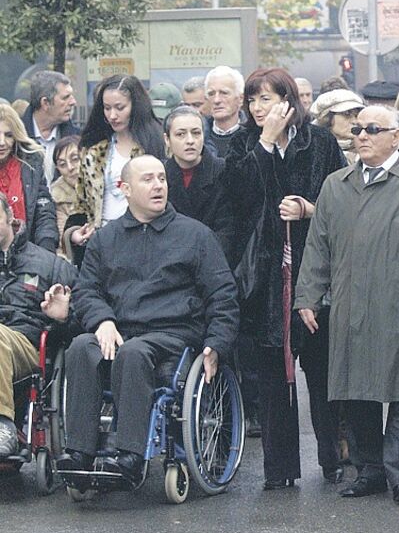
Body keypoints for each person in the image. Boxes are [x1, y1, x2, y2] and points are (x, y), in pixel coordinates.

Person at [295, 105, 399, 506]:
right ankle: (370, 469)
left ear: (395, 136)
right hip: (350, 303)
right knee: (354, 388)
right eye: (358, 129)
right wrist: (308, 296)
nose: (362, 136)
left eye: (372, 129)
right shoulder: (336, 184)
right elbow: (318, 246)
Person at [57, 155, 239, 485]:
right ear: (124, 189)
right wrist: (102, 321)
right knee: (81, 346)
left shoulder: (195, 235)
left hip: (173, 333)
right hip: (120, 328)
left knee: (134, 352)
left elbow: (223, 294)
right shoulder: (106, 238)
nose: (158, 185)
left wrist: (217, 343)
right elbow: (86, 290)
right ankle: (79, 452)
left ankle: (129, 455)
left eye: (162, 178)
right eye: (148, 180)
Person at [222, 67, 347, 490]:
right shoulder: (242, 144)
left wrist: (309, 209)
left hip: (313, 272)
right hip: (265, 277)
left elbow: (344, 197)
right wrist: (265, 143)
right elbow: (238, 196)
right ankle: (279, 470)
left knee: (323, 371)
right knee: (273, 377)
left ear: (289, 101)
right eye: (253, 100)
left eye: (268, 98)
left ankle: (333, 458)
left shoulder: (321, 142)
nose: (259, 108)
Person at [0, 192, 76, 457]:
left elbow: (81, 312)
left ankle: (3, 426)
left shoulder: (48, 264)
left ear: (10, 217)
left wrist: (62, 316)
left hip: (27, 344)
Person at [65, 75, 166, 261]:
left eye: (120, 108)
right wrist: (73, 233)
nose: (112, 115)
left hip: (147, 241)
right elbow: (81, 205)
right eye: (107, 108)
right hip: (102, 243)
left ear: (135, 107)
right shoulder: (93, 151)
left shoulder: (157, 145)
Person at [163, 105, 230, 237]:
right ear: (167, 139)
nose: (190, 141)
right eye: (180, 134)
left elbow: (228, 228)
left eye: (196, 133)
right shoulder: (160, 175)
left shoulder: (223, 171)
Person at [0, 104, 58, 252]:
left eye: (8, 135)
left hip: (26, 254)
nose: (2, 142)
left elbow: (44, 210)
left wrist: (46, 249)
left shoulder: (30, 164)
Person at [21, 70, 78, 186]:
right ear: (45, 103)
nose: (73, 102)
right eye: (65, 97)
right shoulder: (15, 140)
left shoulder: (78, 139)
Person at [310, 89, 365, 165]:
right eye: (346, 114)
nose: (354, 121)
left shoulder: (366, 149)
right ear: (327, 118)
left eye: (356, 115)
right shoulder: (313, 150)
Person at [205, 66, 246, 158]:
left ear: (240, 99)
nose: (216, 100)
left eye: (224, 93)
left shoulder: (254, 136)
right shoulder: (198, 137)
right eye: (211, 94)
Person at [50, 135, 81, 257]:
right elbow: (61, 243)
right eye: (62, 164)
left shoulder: (108, 186)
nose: (70, 168)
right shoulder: (57, 198)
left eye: (75, 159)